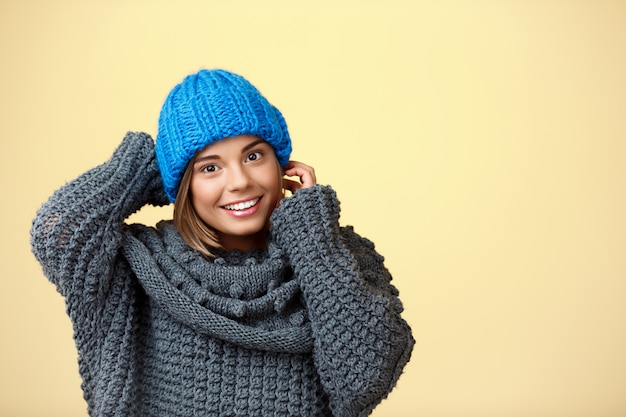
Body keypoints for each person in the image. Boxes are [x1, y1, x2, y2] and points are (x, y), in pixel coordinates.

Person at [30, 69, 414, 417]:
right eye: (209, 167)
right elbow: (57, 230)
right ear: (184, 186)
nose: (240, 182)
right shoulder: (136, 268)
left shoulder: (332, 252)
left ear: (282, 165)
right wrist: (153, 166)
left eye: (253, 155)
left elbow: (365, 381)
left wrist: (312, 236)